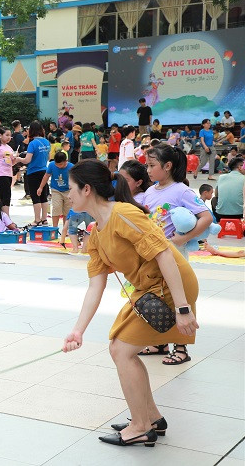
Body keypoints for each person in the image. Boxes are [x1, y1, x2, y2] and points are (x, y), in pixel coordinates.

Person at [62, 159, 198, 448]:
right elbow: (95, 284)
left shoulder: (123, 214)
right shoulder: (96, 232)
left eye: (70, 188)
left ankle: (140, 426)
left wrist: (182, 308)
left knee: (123, 351)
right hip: (147, 288)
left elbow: (164, 254)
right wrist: (78, 330)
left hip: (171, 286)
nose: (67, 193)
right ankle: (152, 418)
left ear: (86, 189)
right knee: (118, 347)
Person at [138, 144, 211, 366]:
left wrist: (181, 239)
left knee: (179, 295)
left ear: (168, 166)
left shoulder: (182, 190)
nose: (148, 170)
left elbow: (206, 217)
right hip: (153, 254)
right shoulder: (150, 191)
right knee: (157, 295)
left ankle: (181, 347)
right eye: (146, 165)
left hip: (174, 253)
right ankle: (161, 342)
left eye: (151, 165)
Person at [16, 121, 52, 225]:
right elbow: (49, 157)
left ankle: (37, 219)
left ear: (31, 130)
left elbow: (27, 160)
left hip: (33, 172)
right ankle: (44, 219)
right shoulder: (46, 142)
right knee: (43, 195)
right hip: (44, 171)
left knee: (35, 197)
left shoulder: (32, 143)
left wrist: (18, 159)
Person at [37, 151, 72, 229]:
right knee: (56, 207)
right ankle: (54, 228)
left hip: (68, 191)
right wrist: (41, 187)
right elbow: (46, 176)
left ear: (66, 161)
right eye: (57, 164)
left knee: (67, 210)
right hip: (56, 189)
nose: (58, 166)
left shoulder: (71, 167)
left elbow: (75, 180)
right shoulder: (52, 165)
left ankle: (65, 229)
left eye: (60, 164)